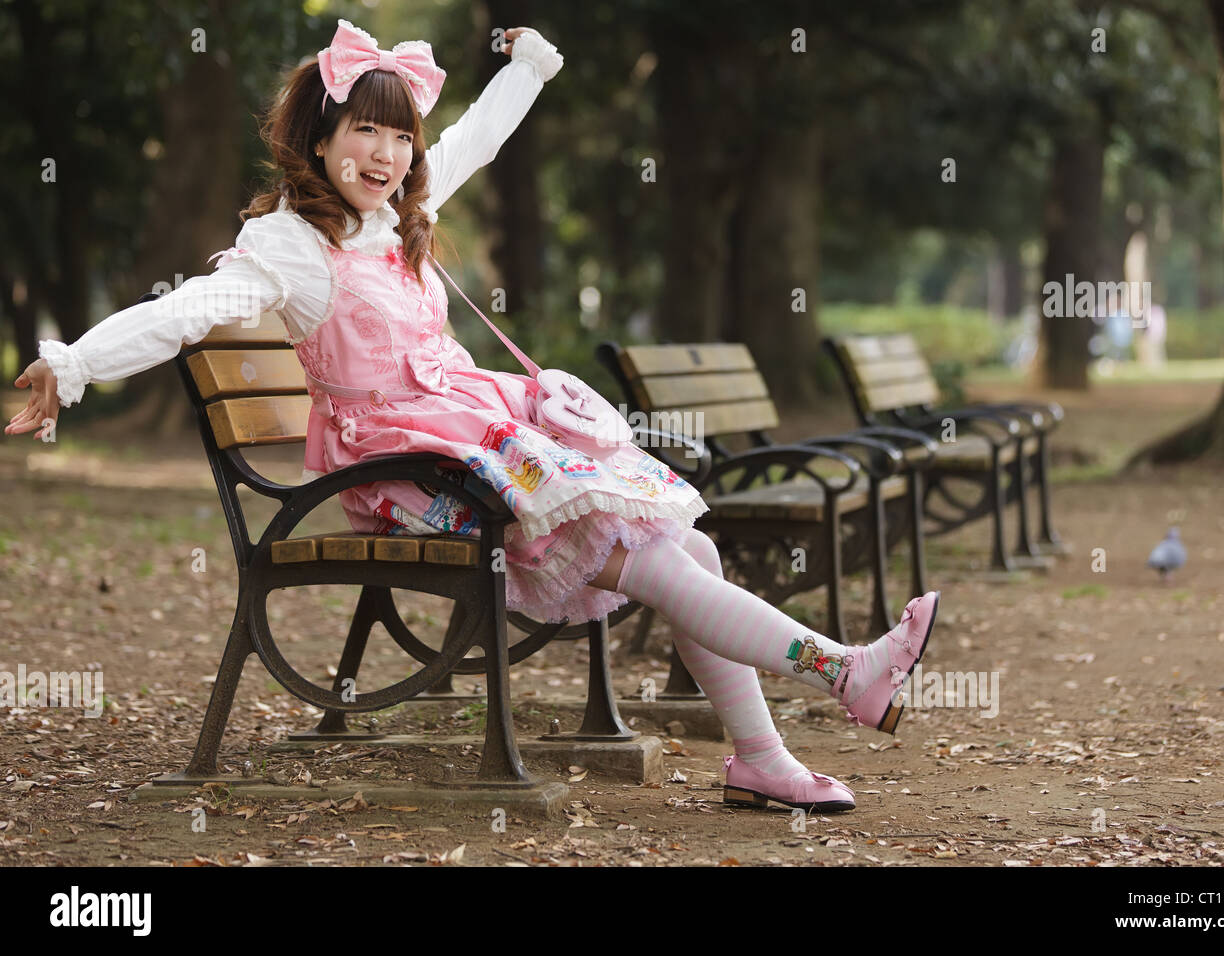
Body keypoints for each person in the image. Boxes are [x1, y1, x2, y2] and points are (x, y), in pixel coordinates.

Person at [5, 19, 939, 813]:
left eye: (401, 137)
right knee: (655, 555)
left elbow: (476, 142)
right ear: (321, 137)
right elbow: (181, 314)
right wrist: (71, 363)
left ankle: (761, 762)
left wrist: (529, 66)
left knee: (685, 548)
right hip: (405, 472)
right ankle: (843, 671)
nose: (389, 155)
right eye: (366, 131)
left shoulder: (398, 214)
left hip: (472, 436)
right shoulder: (286, 248)